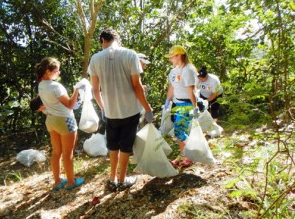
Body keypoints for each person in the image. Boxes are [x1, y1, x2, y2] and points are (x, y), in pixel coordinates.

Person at [88, 28, 153, 191]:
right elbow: (137, 87)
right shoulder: (130, 54)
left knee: (113, 146)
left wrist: (103, 108)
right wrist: (148, 108)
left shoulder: (95, 59)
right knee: (125, 146)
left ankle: (112, 179)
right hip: (130, 110)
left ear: (103, 40)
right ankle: (122, 180)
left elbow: (95, 90)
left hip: (111, 113)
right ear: (117, 39)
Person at [36, 57, 85, 191]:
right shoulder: (56, 86)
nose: (59, 73)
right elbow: (70, 105)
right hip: (64, 120)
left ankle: (57, 181)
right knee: (68, 153)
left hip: (51, 120)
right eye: (57, 71)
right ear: (47, 71)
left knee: (56, 152)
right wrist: (77, 90)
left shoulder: (41, 85)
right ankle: (71, 182)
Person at [164, 45, 199, 168]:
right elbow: (171, 87)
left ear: (179, 56)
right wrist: (167, 101)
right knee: (179, 131)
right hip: (176, 103)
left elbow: (192, 91)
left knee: (180, 131)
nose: (170, 60)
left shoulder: (188, 70)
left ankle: (191, 155)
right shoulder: (174, 71)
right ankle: (182, 155)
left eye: (172, 57)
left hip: (187, 104)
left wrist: (195, 108)